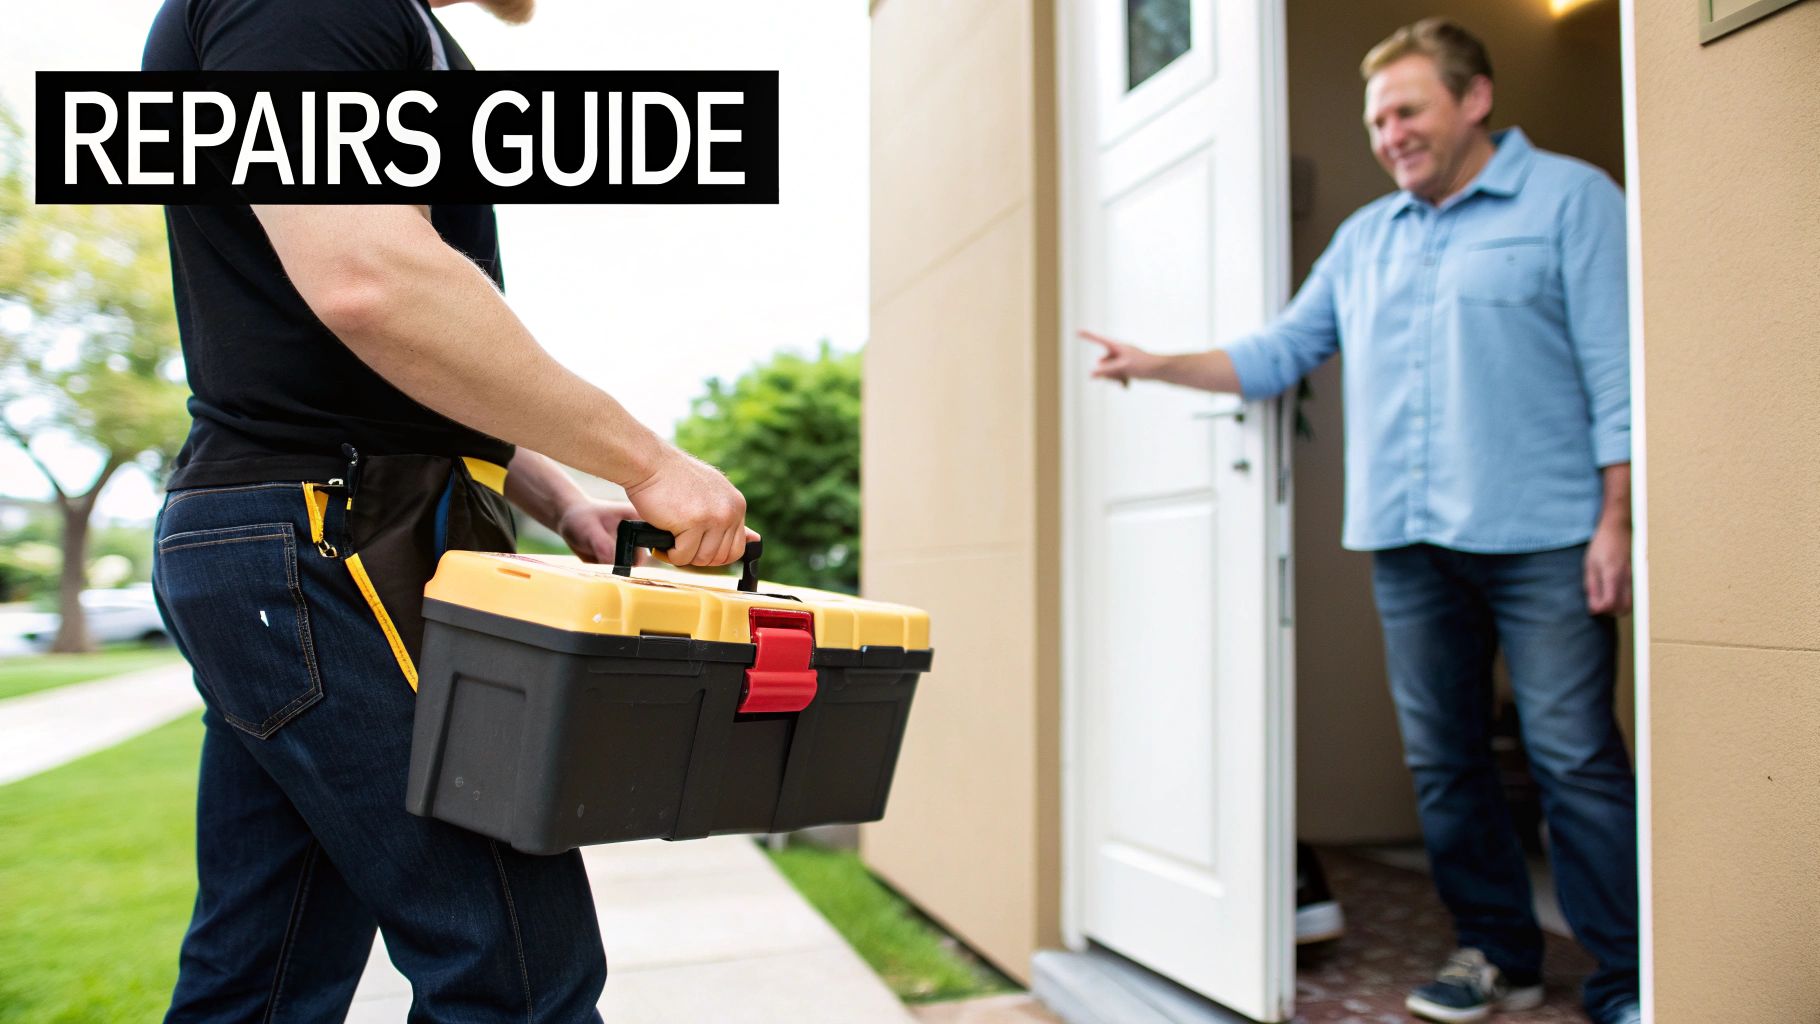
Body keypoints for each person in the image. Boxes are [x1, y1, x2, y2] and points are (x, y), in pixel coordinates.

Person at [144, 0, 754, 1019]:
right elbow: (369, 279)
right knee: (516, 975)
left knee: (264, 973)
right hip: (332, 535)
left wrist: (565, 499)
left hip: (306, 534)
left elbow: (401, 357)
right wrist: (646, 458)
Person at [1081, 19, 1639, 1024]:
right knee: (1443, 760)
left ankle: (1629, 979)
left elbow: (1616, 369)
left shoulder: (1571, 201)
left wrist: (1615, 520)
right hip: (1410, 544)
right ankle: (1496, 955)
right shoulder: (1365, 240)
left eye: (1407, 109)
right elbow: (1277, 353)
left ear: (1472, 100)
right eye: (1377, 118)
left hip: (1546, 535)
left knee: (1572, 757)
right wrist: (1158, 362)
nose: (1388, 134)